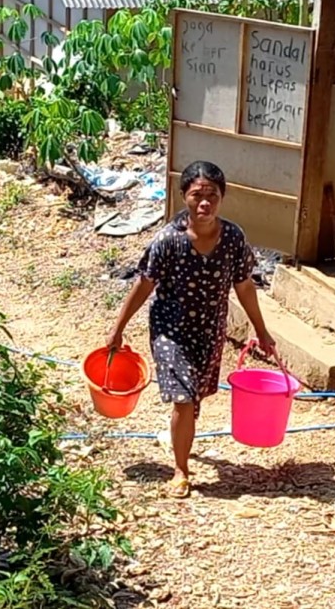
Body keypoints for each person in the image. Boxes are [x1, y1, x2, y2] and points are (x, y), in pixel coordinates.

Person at [107, 161, 276, 498]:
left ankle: (182, 441)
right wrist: (118, 329)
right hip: (170, 330)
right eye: (197, 195)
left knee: (194, 399)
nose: (204, 203)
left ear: (222, 198)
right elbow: (144, 285)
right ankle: (181, 470)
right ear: (183, 196)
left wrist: (262, 331)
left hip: (210, 330)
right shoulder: (168, 240)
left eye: (212, 195)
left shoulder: (233, 238)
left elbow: (244, 286)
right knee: (184, 399)